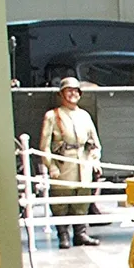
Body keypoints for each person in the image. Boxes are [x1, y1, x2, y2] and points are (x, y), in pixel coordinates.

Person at [39, 76, 101, 248]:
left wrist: (95, 160)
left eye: (75, 91)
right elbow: (45, 146)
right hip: (63, 165)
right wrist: (50, 165)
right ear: (62, 94)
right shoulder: (53, 116)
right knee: (61, 203)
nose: (72, 94)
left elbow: (95, 143)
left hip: (83, 164)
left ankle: (80, 234)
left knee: (82, 202)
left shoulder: (84, 116)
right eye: (69, 90)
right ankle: (63, 235)